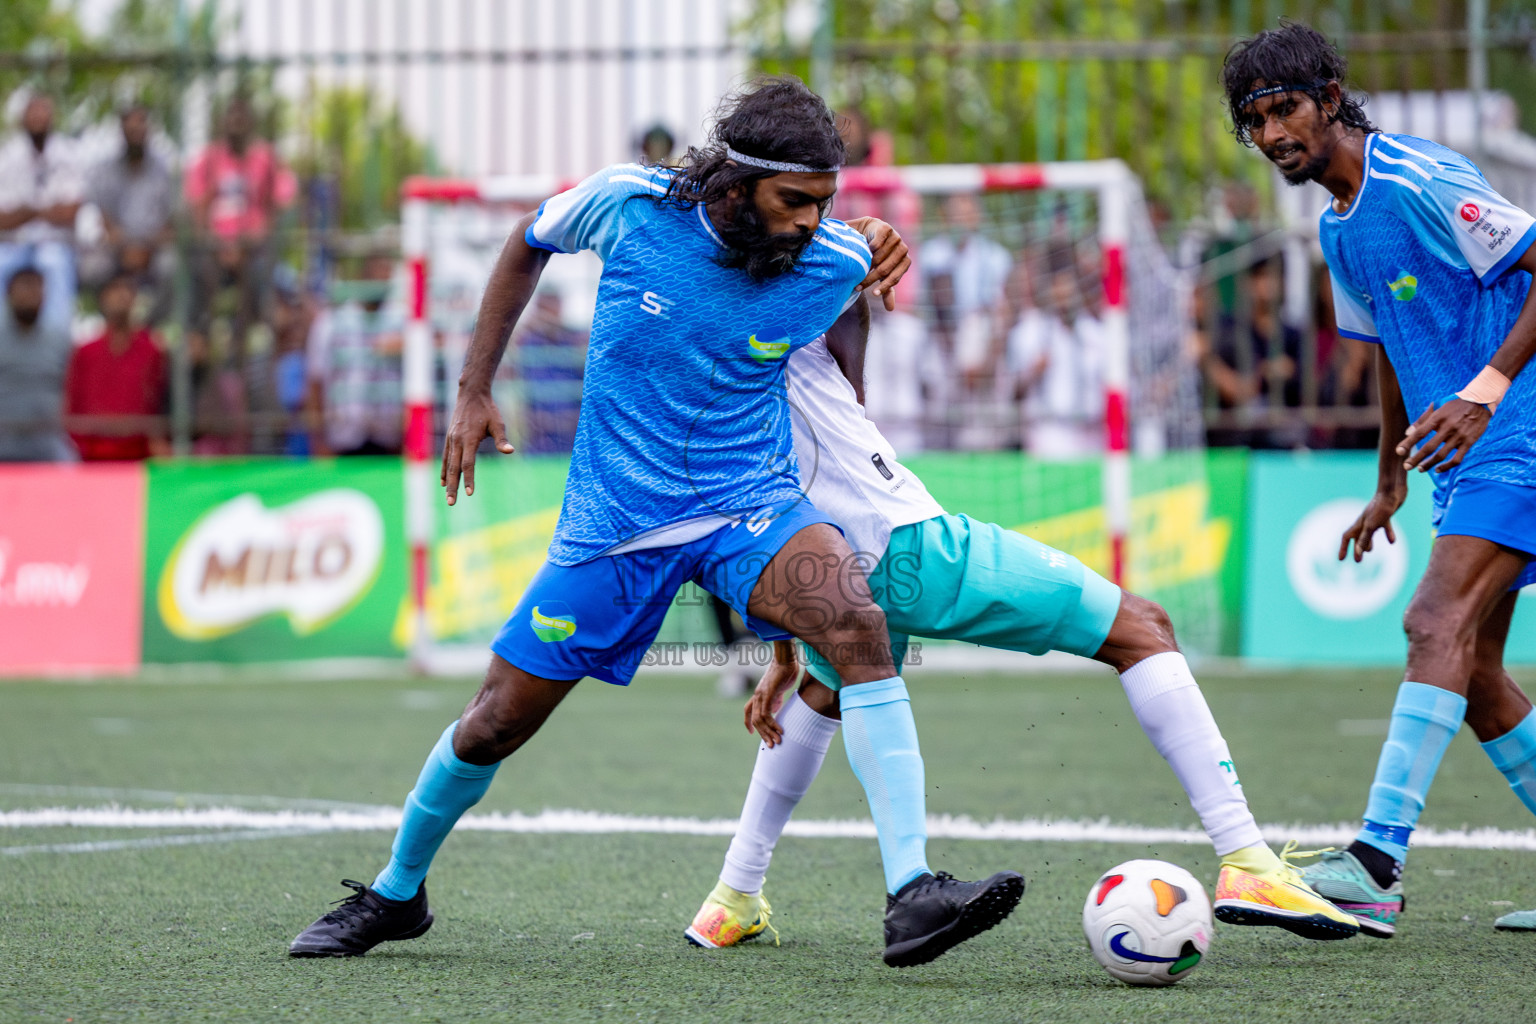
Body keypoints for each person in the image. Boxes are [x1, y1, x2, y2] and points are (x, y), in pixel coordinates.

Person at [287, 77, 1021, 968]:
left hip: (749, 507)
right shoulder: (627, 206)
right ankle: (397, 893)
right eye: (793, 200)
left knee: (859, 622)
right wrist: (474, 389)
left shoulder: (827, 257)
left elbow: (845, 318)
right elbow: (525, 245)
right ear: (734, 183)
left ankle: (913, 891)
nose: (808, 222)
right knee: (493, 722)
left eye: (826, 204)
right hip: (616, 523)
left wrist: (860, 278)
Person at [683, 275, 1362, 951]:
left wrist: (780, 647)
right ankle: (1246, 859)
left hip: (829, 567)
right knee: (1143, 627)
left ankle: (733, 895)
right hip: (909, 543)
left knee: (829, 690)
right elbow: (843, 298)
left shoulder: (695, 349)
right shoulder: (790, 280)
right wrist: (858, 239)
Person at [1223, 21, 1536, 936]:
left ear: (1329, 97)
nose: (1276, 134)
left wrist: (1484, 390)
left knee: (1431, 622)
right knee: (1473, 665)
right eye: (1256, 123)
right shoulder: (1337, 228)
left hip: (1520, 430)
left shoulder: (1419, 178)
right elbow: (1396, 356)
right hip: (1468, 455)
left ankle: (1375, 860)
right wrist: (1389, 482)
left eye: (1287, 109)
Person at [183, 95, 297, 363]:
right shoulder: (208, 159)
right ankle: (202, 339)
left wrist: (249, 242)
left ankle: (244, 341)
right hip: (215, 249)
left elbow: (280, 205)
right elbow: (196, 211)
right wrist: (217, 245)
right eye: (231, 117)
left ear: (251, 124)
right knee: (195, 269)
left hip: (253, 247)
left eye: (242, 118)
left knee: (262, 272)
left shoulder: (266, 159)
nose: (236, 124)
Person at [1007, 248, 1105, 459]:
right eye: (1057, 285)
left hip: (1091, 435)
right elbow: (1012, 392)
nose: (1064, 293)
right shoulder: (1030, 331)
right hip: (1047, 433)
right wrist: (1033, 371)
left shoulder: (1096, 334)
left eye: (1068, 285)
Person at [305, 252, 404, 456]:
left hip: (388, 443)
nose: (381, 283)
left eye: (386, 278)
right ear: (362, 278)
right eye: (376, 277)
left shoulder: (401, 323)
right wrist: (319, 444)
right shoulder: (331, 322)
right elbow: (315, 382)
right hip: (343, 442)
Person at [83, 104, 175, 324]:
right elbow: (102, 215)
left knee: (171, 268)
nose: (135, 131)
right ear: (122, 131)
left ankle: (147, 328)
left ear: (149, 129)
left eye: (140, 125)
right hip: (117, 246)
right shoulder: (105, 169)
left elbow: (172, 220)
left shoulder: (165, 168)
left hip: (154, 246)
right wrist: (123, 245)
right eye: (129, 127)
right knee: (92, 268)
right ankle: (112, 325)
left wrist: (147, 247)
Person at [0, 93, 84, 328]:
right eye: (32, 113)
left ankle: (56, 343)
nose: (38, 118)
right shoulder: (7, 156)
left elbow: (69, 213)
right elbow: (2, 221)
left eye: (43, 112)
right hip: (12, 242)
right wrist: (44, 210)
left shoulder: (67, 152)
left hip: (55, 241)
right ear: (22, 119)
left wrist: (26, 211)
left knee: (54, 265)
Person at [65, 273, 167, 461]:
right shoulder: (85, 352)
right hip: (93, 457)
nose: (120, 296)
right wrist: (81, 445)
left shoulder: (152, 350)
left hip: (140, 457)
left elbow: (159, 399)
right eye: (114, 291)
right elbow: (73, 404)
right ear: (103, 299)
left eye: (126, 291)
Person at [0, 266, 73, 461]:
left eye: (37, 288)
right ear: (9, 292)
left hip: (47, 446)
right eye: (24, 287)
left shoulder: (60, 339)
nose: (31, 294)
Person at [511, 290, 585, 454]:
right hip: (538, 433)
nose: (549, 314)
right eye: (544, 309)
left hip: (570, 429)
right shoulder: (528, 340)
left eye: (553, 308)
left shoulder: (572, 340)